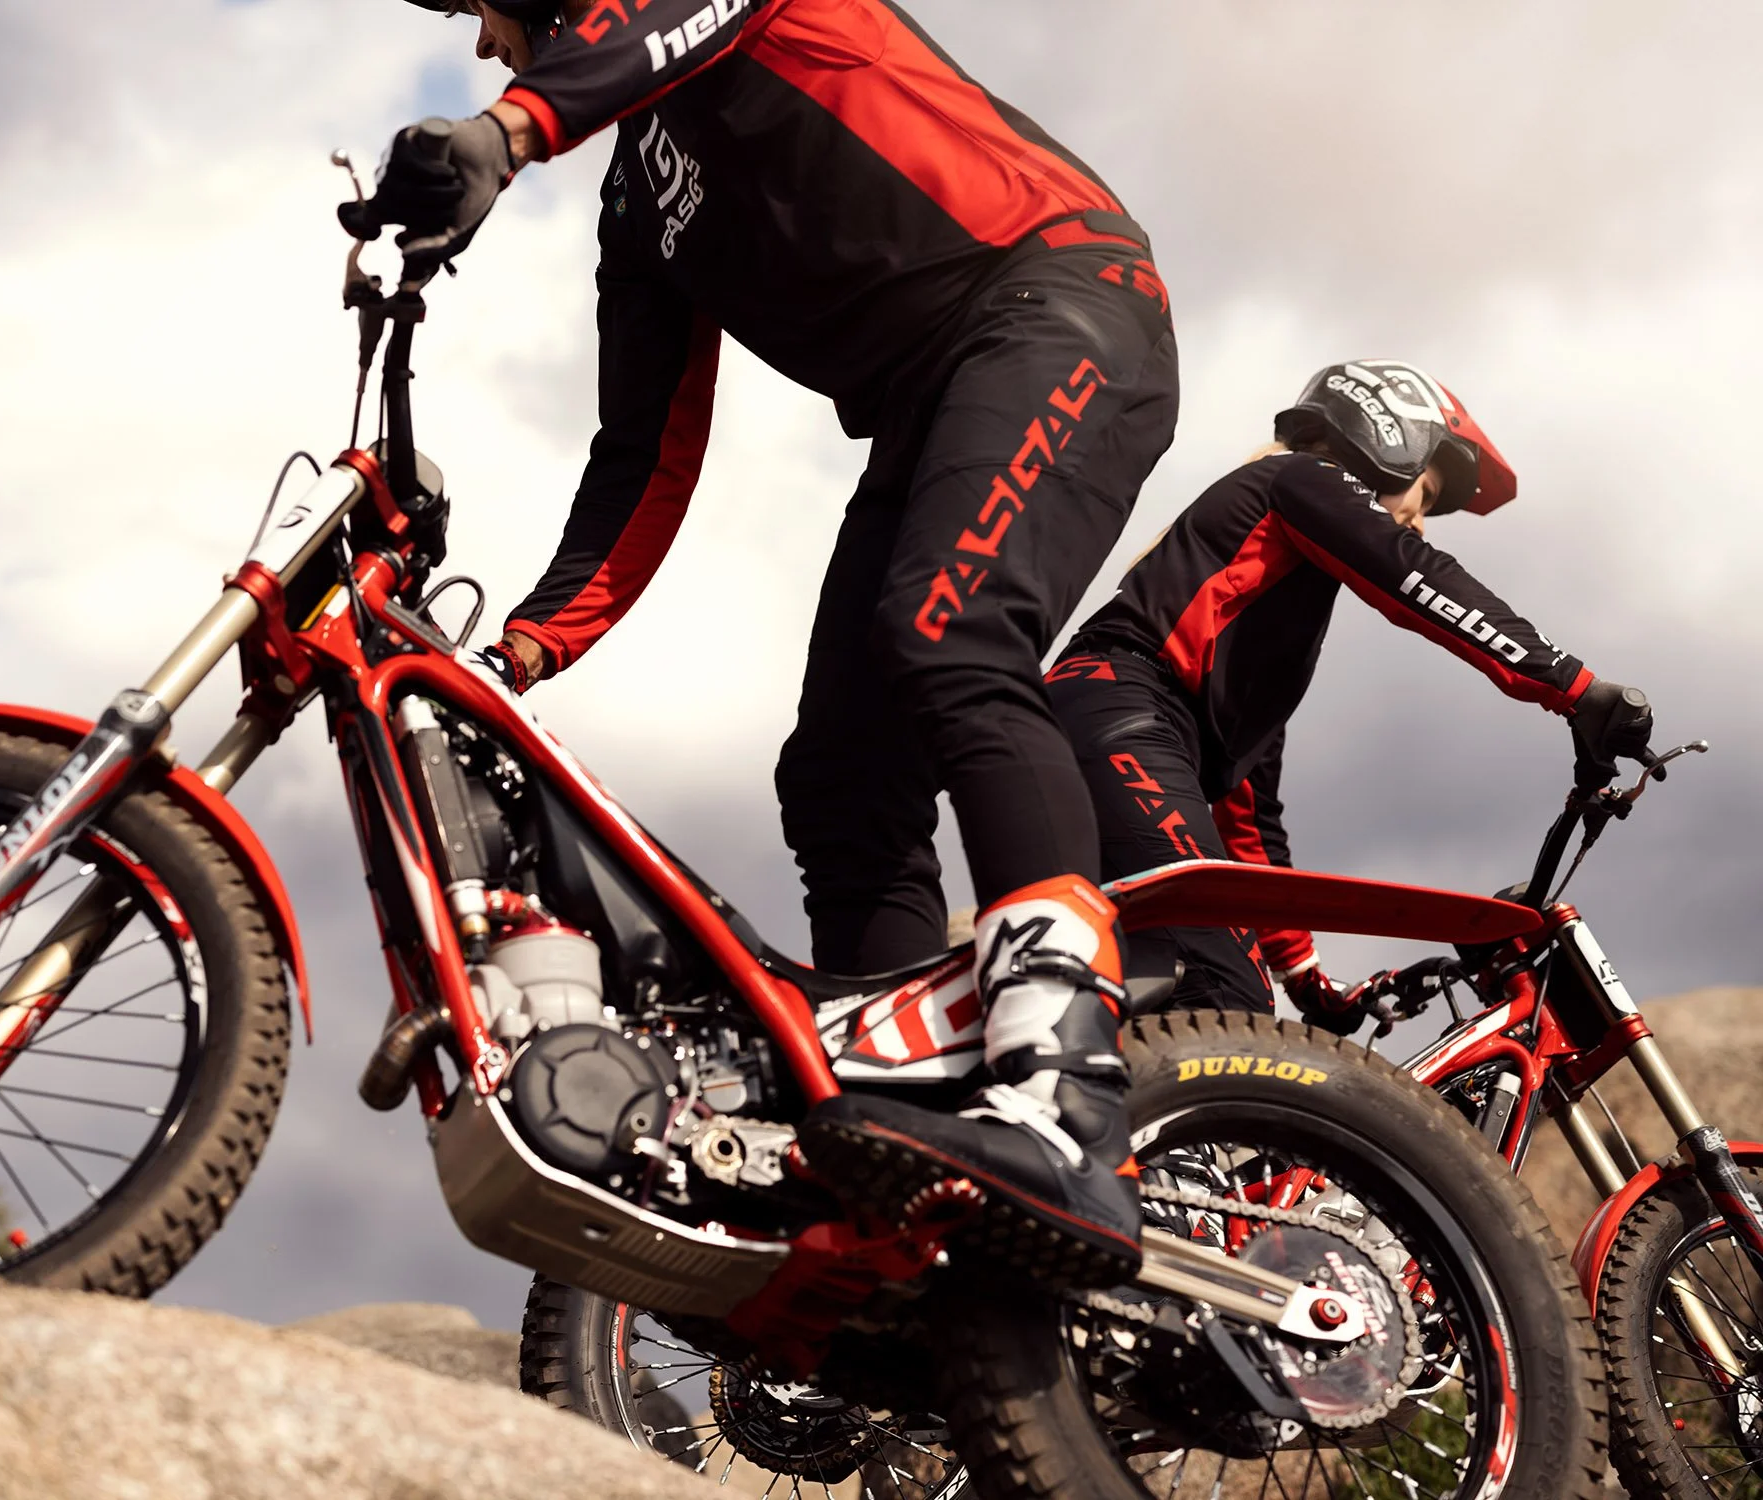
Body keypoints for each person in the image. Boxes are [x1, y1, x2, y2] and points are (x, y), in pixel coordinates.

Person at [347, 0, 1181, 1284]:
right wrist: (512, 658)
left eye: (479, 11)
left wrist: (510, 132)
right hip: (927, 402)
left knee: (947, 634)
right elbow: (641, 459)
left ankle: (1063, 1088)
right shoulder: (638, 190)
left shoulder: (671, 29)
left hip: (1058, 298)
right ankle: (916, 1138)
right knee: (838, 781)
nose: (479, 45)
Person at [1044, 359, 1657, 1029]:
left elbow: (1246, 814)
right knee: (1221, 992)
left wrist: (1304, 975)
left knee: (1121, 993)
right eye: (1426, 492)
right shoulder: (1303, 478)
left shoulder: (1265, 612)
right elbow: (1410, 574)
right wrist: (1574, 687)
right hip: (1118, 713)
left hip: (1097, 725)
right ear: (1388, 443)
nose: (1419, 522)